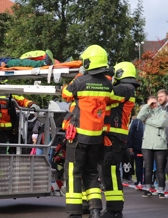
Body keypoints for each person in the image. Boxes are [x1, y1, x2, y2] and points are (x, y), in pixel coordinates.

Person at [62, 45, 113, 218]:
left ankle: (74, 212)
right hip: (96, 137)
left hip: (78, 136)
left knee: (73, 173)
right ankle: (95, 210)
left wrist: (78, 75)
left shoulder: (80, 81)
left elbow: (66, 94)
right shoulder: (108, 84)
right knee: (91, 173)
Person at [100, 61, 139, 218]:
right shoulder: (127, 88)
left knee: (111, 175)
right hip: (113, 137)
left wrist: (99, 81)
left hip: (114, 139)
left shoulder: (125, 88)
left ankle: (115, 211)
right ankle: (113, 210)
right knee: (108, 174)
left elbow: (105, 95)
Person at [137, 96, 168, 198]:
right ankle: (148, 189)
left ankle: (161, 190)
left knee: (160, 169)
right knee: (148, 169)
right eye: (151, 103)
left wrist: (147, 121)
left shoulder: (163, 113)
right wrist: (147, 106)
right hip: (147, 144)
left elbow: (161, 124)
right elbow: (139, 117)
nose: (154, 105)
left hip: (160, 144)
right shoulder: (147, 112)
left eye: (155, 102)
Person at [127, 106, 145, 186]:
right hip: (138, 147)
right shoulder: (136, 122)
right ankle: (139, 181)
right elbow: (130, 134)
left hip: (149, 147)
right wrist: (130, 146)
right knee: (138, 164)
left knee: (148, 166)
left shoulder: (152, 120)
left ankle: (148, 181)